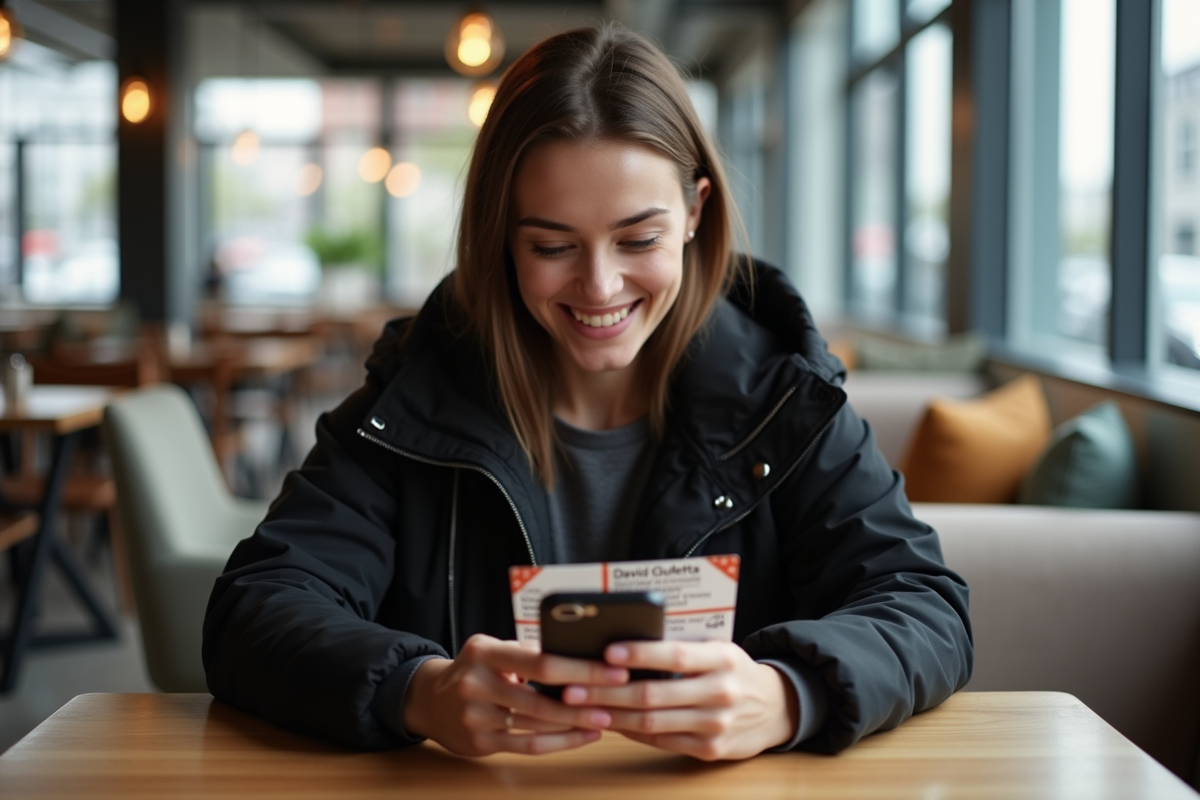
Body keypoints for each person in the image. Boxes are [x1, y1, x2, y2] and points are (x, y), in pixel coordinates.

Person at [202, 24, 972, 761]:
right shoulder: (415, 396)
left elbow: (926, 608)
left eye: (638, 239)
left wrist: (788, 693)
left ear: (697, 212)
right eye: (551, 245)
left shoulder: (782, 398)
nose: (600, 287)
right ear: (501, 236)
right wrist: (417, 690)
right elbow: (254, 610)